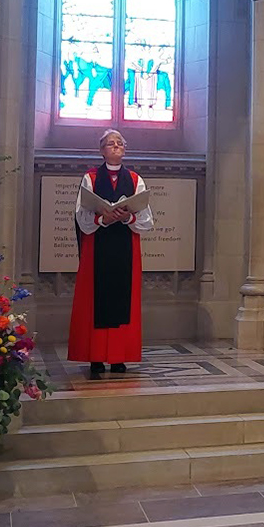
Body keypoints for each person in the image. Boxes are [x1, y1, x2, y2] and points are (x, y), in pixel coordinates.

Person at [69, 129, 153, 378]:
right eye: (110, 144)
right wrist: (102, 218)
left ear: (124, 149)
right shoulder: (91, 178)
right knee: (95, 300)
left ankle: (118, 358)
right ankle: (95, 357)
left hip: (125, 246)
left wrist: (129, 216)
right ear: (101, 150)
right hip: (98, 247)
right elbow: (81, 215)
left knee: (123, 299)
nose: (116, 147)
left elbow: (146, 218)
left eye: (120, 144)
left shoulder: (136, 179)